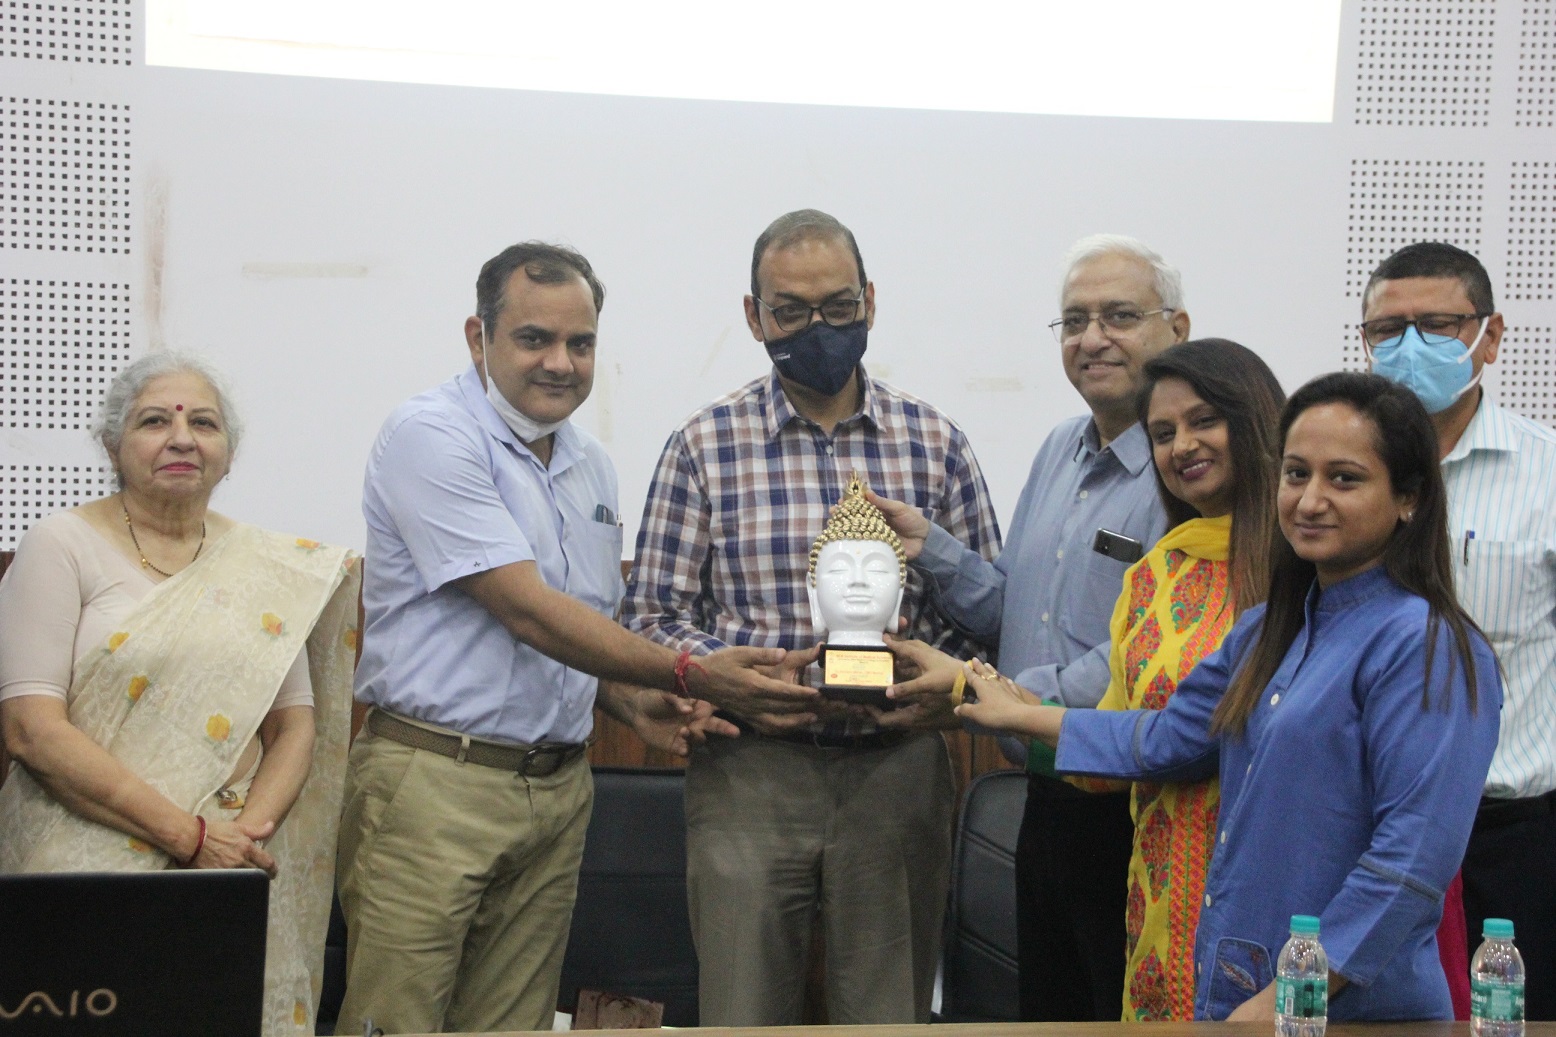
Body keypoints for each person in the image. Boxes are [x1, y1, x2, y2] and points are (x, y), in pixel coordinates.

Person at [337, 242, 819, 1036]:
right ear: (478, 337)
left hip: (558, 789)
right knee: (397, 1022)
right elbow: (526, 610)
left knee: (514, 1027)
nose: (560, 362)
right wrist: (693, 671)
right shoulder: (431, 434)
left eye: (581, 342)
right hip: (435, 784)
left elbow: (578, 631)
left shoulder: (590, 464)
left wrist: (632, 702)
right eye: (535, 338)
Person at [952, 372, 1502, 1022]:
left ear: (1408, 497)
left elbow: (1411, 860)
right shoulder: (1268, 631)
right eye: (1296, 474)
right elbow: (1165, 739)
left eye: (1344, 479)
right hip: (1245, 983)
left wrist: (1292, 991)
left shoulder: (1427, 645)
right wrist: (1018, 713)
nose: (1310, 500)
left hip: (1348, 1005)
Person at [621, 209, 1001, 1026]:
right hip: (751, 770)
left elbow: (984, 614)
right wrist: (731, 673)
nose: (817, 328)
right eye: (791, 311)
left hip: (898, 768)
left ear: (870, 301)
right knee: (742, 1008)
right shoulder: (704, 445)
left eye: (837, 306)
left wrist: (926, 674)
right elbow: (652, 613)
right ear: (754, 316)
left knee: (888, 1013)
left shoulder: (935, 442)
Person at [891, 338, 1284, 1021]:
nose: (1183, 446)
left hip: (1267, 884)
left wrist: (983, 695)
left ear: (1255, 422)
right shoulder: (1157, 572)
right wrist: (972, 692)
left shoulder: (1299, 569)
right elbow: (1108, 744)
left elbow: (1178, 739)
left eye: (1204, 421)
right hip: (1157, 882)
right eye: (1163, 433)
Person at [870, 234, 1190, 1020]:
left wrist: (989, 693)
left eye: (1119, 316)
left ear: (1177, 328)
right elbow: (1011, 611)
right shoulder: (1059, 450)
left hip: (1131, 803)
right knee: (1050, 1012)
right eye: (1074, 321)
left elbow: (1137, 659)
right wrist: (931, 548)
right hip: (1041, 797)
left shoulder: (1187, 470)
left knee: (1119, 1013)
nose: (1093, 338)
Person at [0, 352, 361, 1037]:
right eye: (154, 421)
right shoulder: (61, 543)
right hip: (86, 863)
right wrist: (187, 837)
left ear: (228, 453)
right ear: (112, 444)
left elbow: (293, 727)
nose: (181, 438)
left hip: (232, 872)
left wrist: (239, 847)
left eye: (203, 423)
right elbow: (31, 729)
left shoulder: (264, 566)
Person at [1361, 241, 1556, 1020]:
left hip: (1506, 836)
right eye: (1388, 330)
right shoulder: (1333, 475)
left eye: (1438, 325)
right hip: (1367, 831)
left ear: (1491, 335)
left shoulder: (1546, 473)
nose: (1410, 346)